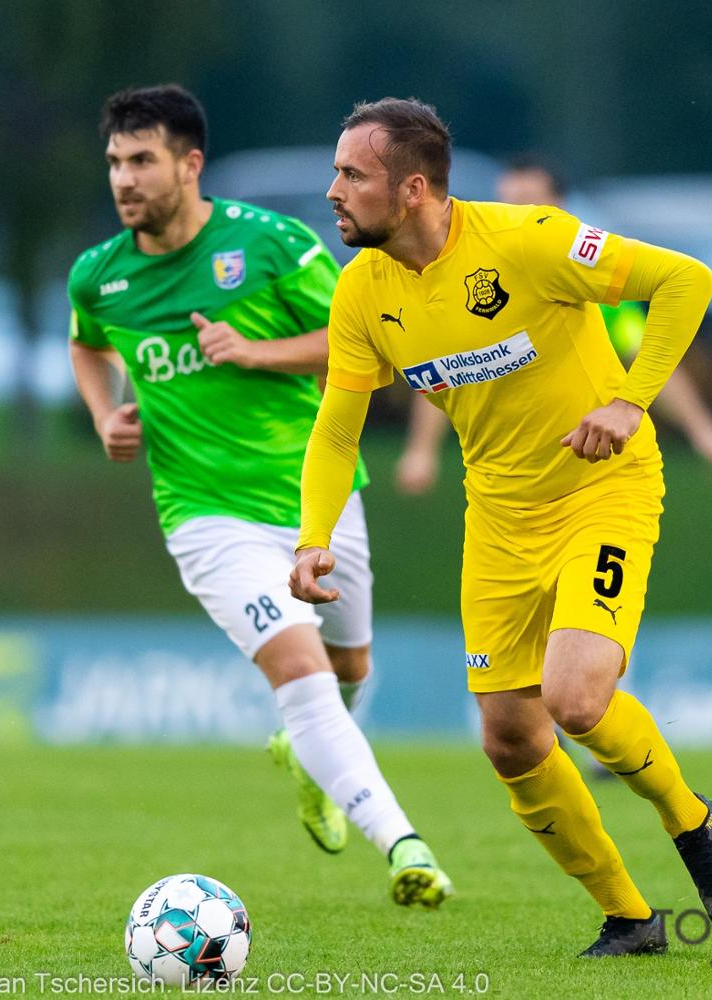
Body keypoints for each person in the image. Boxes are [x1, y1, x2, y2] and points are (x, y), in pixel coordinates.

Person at [291, 98, 712, 955]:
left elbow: (687, 280)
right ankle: (629, 918)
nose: (333, 191)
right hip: (499, 517)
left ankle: (690, 821)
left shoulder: (530, 239)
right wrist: (313, 535)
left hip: (602, 490)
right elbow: (337, 430)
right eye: (336, 172)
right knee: (509, 738)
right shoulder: (362, 290)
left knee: (574, 700)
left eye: (352, 174)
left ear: (414, 189)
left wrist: (628, 402)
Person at [68, 85, 451, 907]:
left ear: (190, 164)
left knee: (350, 666)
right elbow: (86, 344)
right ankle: (404, 845)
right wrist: (105, 416)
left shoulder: (270, 245)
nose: (124, 179)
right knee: (301, 666)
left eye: (142, 160)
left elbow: (366, 345)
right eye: (115, 162)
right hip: (205, 515)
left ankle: (310, 757)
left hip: (317, 497)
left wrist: (255, 352)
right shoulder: (100, 277)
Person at [396, 155, 712, 495]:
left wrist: (702, 430)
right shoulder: (473, 280)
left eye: (528, 202)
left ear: (561, 207)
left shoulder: (593, 287)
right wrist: (421, 450)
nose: (514, 213)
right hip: (507, 479)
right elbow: (449, 365)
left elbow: (642, 350)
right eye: (506, 203)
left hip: (590, 468)